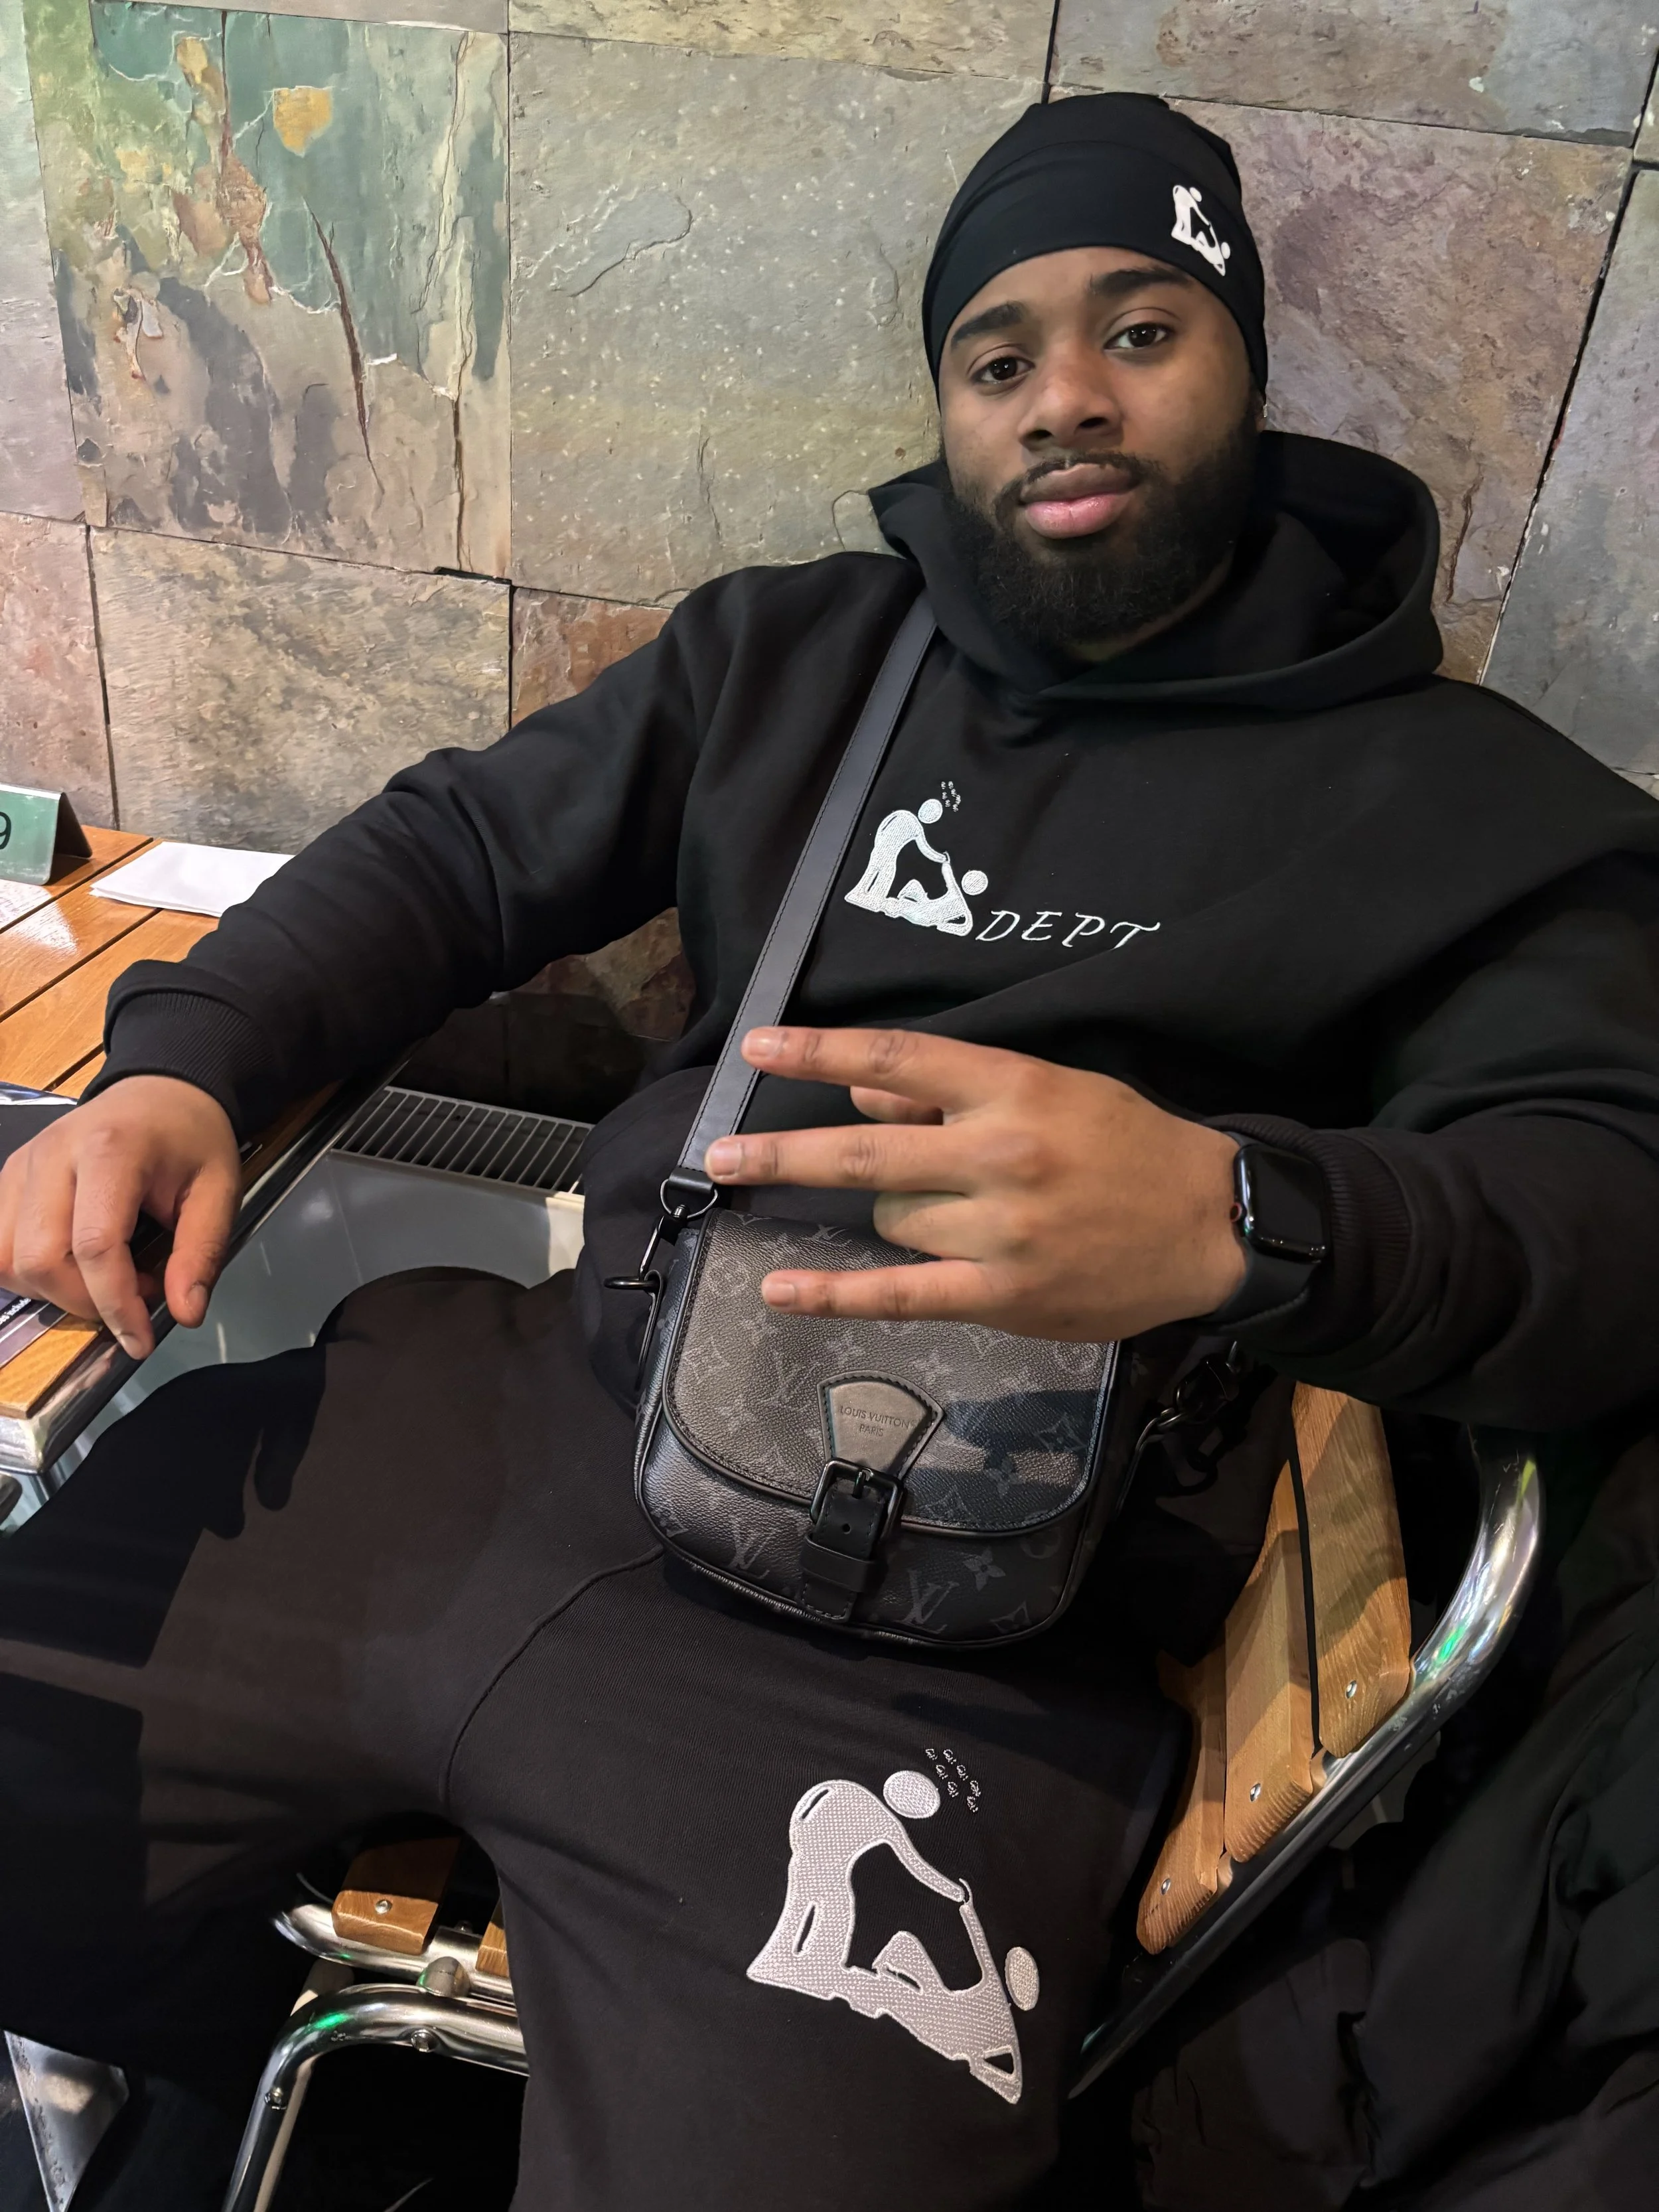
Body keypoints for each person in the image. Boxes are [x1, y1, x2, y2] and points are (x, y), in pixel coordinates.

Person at [1, 92, 1658, 2209]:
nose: (1061, 397)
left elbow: (1611, 1204)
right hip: (522, 1428)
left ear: (1244, 359)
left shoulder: (1463, 807)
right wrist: (184, 1066)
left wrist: (1240, 1214)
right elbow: (457, 850)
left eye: (1137, 330)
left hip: (952, 1647)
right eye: (997, 356)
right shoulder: (798, 654)